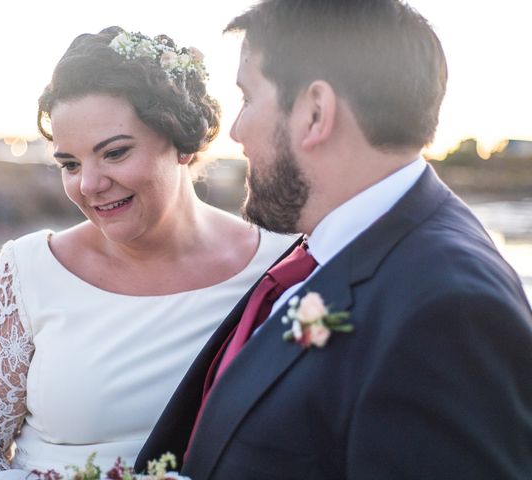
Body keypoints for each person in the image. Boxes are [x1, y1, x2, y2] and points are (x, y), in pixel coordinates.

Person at [135, 1, 532, 479]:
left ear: (315, 112)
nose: (236, 131)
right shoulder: (332, 246)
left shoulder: (449, 310)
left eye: (247, 97)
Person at [0, 26, 295, 478]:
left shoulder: (285, 269)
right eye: (70, 164)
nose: (88, 185)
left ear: (181, 141)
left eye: (115, 153)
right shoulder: (30, 269)